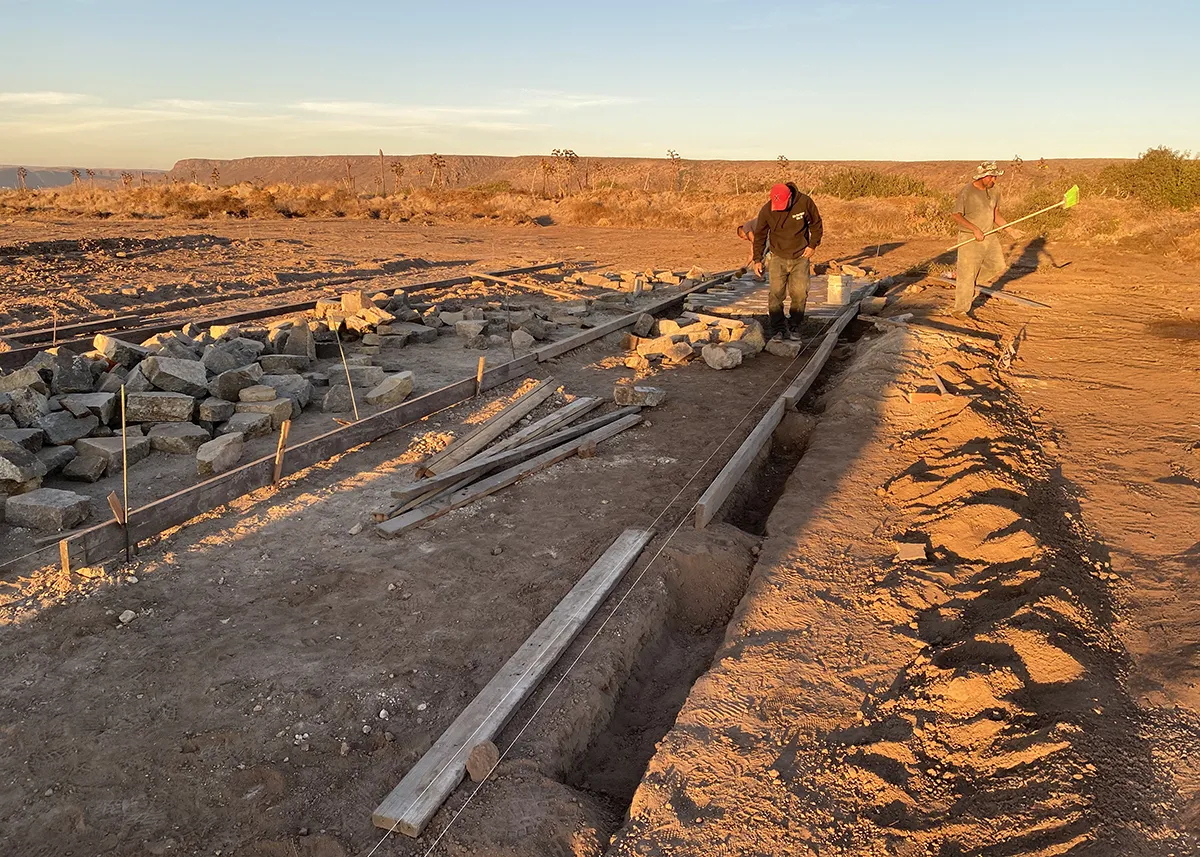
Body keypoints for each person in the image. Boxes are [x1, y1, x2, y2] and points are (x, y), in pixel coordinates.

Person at [751, 182, 823, 341]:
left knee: (799, 293)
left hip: (801, 256)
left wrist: (812, 245)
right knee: (776, 294)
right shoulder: (767, 210)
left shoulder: (804, 202)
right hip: (777, 256)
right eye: (777, 205)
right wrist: (757, 259)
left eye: (783, 204)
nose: (780, 208)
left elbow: (816, 224)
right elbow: (760, 236)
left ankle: (794, 326)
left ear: (790, 197)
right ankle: (777, 329)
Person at [950, 162, 1009, 317]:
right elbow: (956, 214)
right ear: (983, 176)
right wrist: (974, 229)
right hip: (970, 237)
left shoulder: (995, 191)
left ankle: (969, 282)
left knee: (998, 265)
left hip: (990, 235)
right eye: (992, 177)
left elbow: (996, 214)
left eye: (995, 177)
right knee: (967, 273)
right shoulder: (967, 192)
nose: (994, 180)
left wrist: (1009, 229)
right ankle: (960, 310)